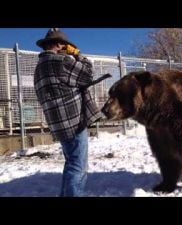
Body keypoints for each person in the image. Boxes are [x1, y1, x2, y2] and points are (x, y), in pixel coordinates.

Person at [34, 28, 101, 197]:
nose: (67, 48)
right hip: (73, 122)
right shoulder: (61, 62)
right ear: (59, 44)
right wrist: (78, 55)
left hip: (58, 125)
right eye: (65, 45)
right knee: (78, 167)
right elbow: (88, 74)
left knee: (71, 163)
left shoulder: (38, 68)